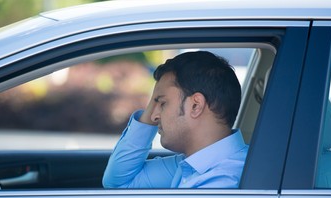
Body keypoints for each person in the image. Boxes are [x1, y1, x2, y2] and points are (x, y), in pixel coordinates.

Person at [102, 51, 248, 189]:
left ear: (196, 106)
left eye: (162, 103)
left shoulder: (223, 180)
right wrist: (157, 98)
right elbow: (119, 183)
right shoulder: (194, 163)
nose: (153, 116)